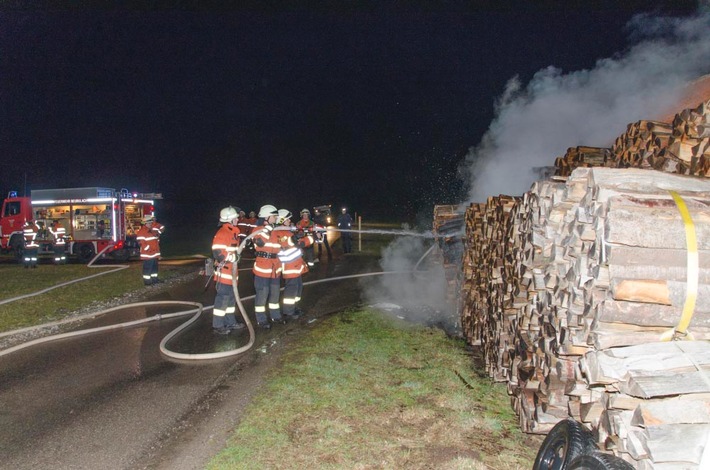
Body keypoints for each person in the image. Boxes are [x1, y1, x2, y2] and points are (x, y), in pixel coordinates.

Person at [277, 209, 319, 320]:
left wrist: (300, 235)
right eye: (287, 219)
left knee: (298, 289)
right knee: (291, 290)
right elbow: (298, 243)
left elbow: (296, 241)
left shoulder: (287, 231)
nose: (290, 221)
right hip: (290, 268)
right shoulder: (281, 233)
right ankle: (288, 311)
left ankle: (294, 307)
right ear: (281, 220)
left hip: (295, 266)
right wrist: (313, 237)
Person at [210, 206, 246, 335]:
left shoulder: (233, 232)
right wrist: (234, 257)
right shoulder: (223, 233)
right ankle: (218, 325)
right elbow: (218, 254)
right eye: (235, 217)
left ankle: (230, 322)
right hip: (224, 273)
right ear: (229, 219)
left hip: (232, 273)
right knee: (223, 300)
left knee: (231, 300)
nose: (238, 218)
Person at [252, 204, 284, 329]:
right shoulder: (258, 230)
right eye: (274, 216)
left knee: (275, 294)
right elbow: (260, 243)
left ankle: (275, 316)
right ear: (267, 217)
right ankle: (261, 320)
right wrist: (267, 229)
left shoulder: (276, 231)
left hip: (275, 268)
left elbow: (284, 243)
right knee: (262, 295)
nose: (276, 218)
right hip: (262, 268)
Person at [136, 214, 165, 285]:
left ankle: (155, 279)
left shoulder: (152, 231)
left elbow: (156, 243)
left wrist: (158, 254)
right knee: (147, 268)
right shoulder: (142, 232)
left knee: (154, 268)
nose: (150, 224)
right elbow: (142, 243)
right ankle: (147, 282)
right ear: (145, 223)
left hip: (154, 254)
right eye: (149, 223)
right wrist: (149, 250)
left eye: (151, 223)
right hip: (148, 254)